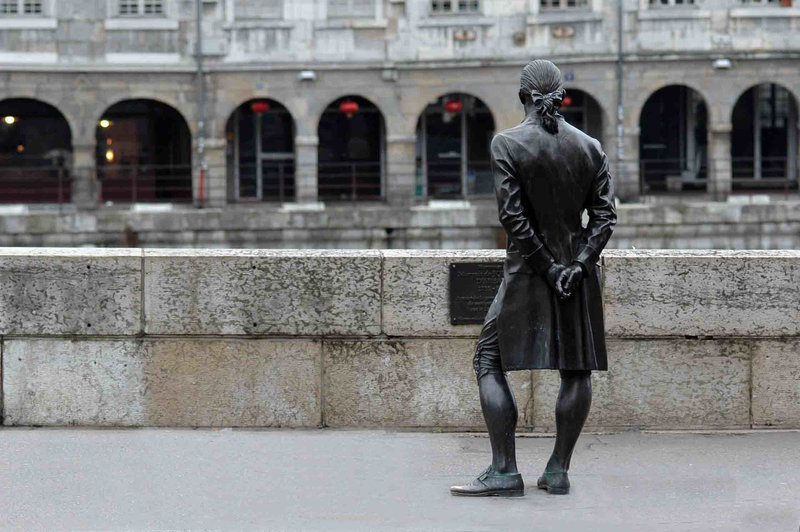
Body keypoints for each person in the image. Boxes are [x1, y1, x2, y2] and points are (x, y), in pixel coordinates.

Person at [450, 59, 617, 497]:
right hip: (577, 275)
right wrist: (578, 265)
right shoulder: (590, 146)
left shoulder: (507, 143)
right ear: (562, 96)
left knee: (488, 359)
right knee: (576, 370)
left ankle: (504, 470)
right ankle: (558, 469)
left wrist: (547, 266)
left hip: (527, 270)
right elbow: (604, 217)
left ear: (522, 95)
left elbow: (513, 217)